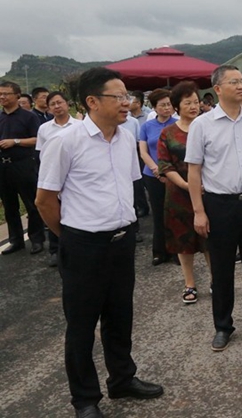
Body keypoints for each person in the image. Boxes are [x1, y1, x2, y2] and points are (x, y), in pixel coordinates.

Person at [36, 67, 163, 418]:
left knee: (120, 316)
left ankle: (122, 379)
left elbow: (128, 186)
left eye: (127, 96)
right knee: (81, 325)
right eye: (118, 97)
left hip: (122, 241)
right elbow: (44, 200)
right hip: (83, 245)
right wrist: (71, 237)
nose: (127, 103)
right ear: (92, 101)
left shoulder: (125, 138)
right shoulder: (66, 142)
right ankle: (85, 399)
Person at [185, 65, 242, 352]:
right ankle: (223, 326)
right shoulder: (202, 125)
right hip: (219, 205)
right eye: (234, 81)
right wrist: (199, 211)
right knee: (222, 269)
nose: (241, 85)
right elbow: (194, 171)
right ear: (218, 89)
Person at [158, 81, 211, 305]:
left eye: (196, 102)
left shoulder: (209, 127)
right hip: (178, 195)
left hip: (208, 191)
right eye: (187, 103)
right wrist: (187, 185)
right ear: (176, 106)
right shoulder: (168, 133)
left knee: (210, 238)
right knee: (183, 240)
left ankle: (216, 280)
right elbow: (164, 165)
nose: (193, 106)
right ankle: (190, 283)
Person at [35, 91, 81, 267]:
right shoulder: (44, 129)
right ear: (48, 108)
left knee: (71, 212)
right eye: (52, 104)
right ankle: (55, 250)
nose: (57, 106)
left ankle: (75, 246)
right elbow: (41, 155)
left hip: (73, 178)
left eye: (59, 102)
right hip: (53, 176)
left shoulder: (79, 126)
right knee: (53, 210)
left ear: (67, 104)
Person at [0, 80, 45, 255]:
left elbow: (38, 139)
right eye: (0, 94)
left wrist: (16, 141)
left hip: (24, 165)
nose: (2, 97)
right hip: (3, 166)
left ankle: (37, 239)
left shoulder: (29, 117)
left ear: (17, 95)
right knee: (10, 206)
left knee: (31, 204)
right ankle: (16, 240)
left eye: (6, 93)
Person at [138, 89, 176, 266]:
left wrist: (168, 171)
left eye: (169, 104)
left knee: (174, 212)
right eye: (163, 105)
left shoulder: (178, 124)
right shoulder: (147, 126)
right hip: (152, 175)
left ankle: (176, 251)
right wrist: (156, 169)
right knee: (158, 213)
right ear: (154, 107)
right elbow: (143, 151)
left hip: (174, 175)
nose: (167, 108)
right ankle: (159, 251)